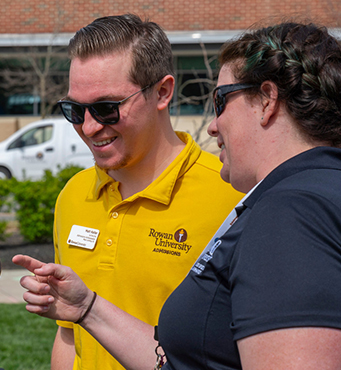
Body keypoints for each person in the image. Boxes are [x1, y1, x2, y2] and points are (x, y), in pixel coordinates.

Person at [15, 21, 341, 369]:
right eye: (75, 111)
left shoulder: (288, 211)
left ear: (267, 100)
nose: (213, 124)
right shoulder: (321, 192)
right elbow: (182, 358)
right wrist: (88, 309)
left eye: (220, 101)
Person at [49, 14, 242, 370]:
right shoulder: (73, 195)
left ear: (163, 92)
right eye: (75, 110)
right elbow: (68, 335)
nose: (90, 127)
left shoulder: (230, 195)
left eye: (107, 109)